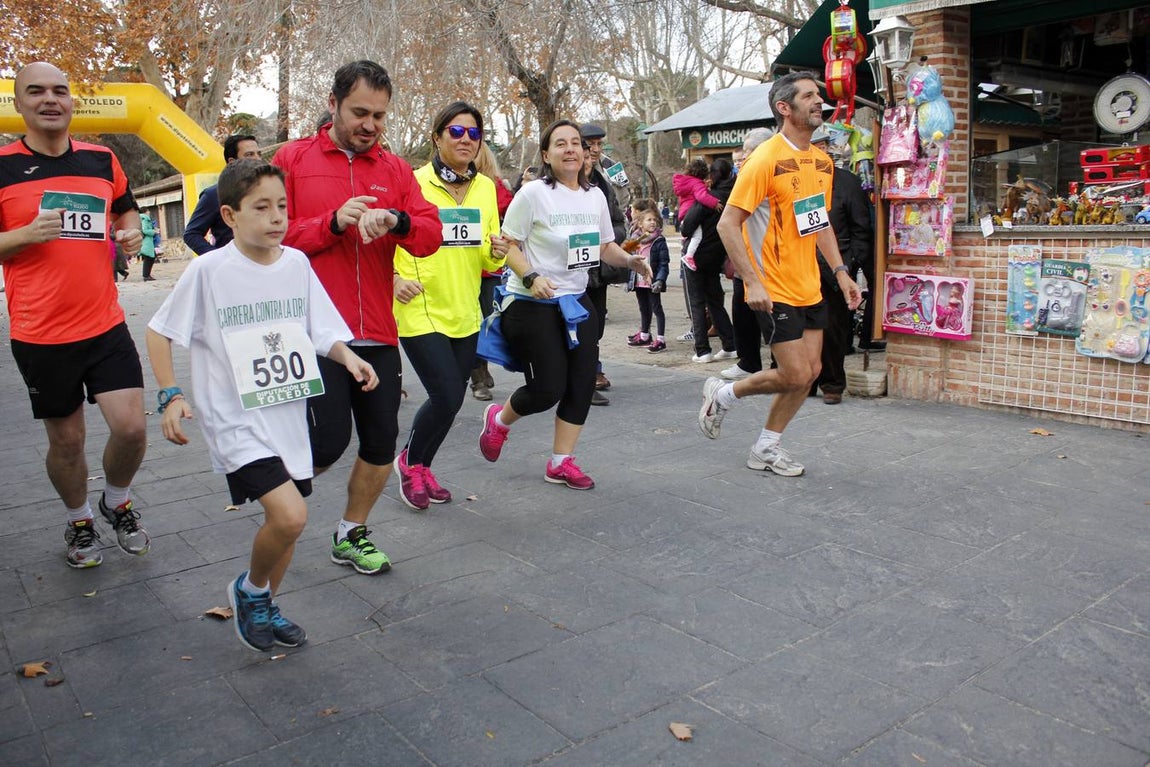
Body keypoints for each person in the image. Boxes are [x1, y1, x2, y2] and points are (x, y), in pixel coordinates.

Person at [147, 160, 379, 651]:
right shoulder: (209, 271)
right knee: (291, 516)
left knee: (287, 525)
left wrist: (348, 356)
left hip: (287, 413)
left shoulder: (296, 263)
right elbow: (158, 331)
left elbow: (320, 328)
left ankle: (265, 604)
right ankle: (250, 590)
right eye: (261, 208)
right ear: (229, 216)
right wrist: (170, 395)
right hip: (234, 421)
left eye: (282, 207)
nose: (276, 218)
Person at [273, 60, 441, 575]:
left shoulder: (394, 170)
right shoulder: (292, 158)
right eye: (360, 112)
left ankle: (351, 533)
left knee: (379, 440)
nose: (370, 125)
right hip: (313, 333)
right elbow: (267, 235)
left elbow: (430, 235)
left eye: (380, 116)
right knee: (327, 441)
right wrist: (331, 222)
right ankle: (278, 499)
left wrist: (398, 219)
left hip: (378, 332)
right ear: (333, 103)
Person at [0, 62, 150, 568]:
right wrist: (24, 236)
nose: (50, 99)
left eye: (60, 91)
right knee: (68, 441)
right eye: (35, 91)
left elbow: (125, 210)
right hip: (40, 332)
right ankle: (80, 519)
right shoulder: (1, 166)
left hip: (104, 323)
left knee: (131, 428)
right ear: (18, 105)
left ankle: (117, 500)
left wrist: (129, 232)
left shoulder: (101, 160)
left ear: (72, 102)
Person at [702, 72, 862, 476]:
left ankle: (766, 448)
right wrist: (751, 281)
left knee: (808, 374)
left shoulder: (821, 161)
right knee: (793, 372)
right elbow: (727, 225)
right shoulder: (764, 159)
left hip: (810, 283)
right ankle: (725, 393)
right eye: (808, 96)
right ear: (784, 108)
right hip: (772, 286)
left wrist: (841, 272)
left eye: (818, 95)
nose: (818, 102)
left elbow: (818, 222)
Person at [478, 120, 650, 490]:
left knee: (581, 383)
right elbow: (505, 246)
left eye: (576, 143)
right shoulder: (533, 194)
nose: (571, 149)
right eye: (561, 144)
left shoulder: (595, 196)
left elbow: (605, 247)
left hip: (577, 301)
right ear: (546, 154)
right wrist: (532, 277)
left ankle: (561, 461)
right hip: (531, 302)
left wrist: (631, 261)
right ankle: (499, 420)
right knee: (547, 388)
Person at [392, 102, 504, 510]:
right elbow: (386, 237)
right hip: (418, 304)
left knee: (453, 397)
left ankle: (421, 465)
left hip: (465, 308)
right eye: (456, 132)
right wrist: (392, 279)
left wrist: (499, 252)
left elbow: (489, 260)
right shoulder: (412, 181)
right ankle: (409, 462)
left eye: (473, 134)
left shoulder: (486, 188)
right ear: (437, 136)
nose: (465, 140)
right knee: (444, 394)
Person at [810, 128, 873, 404]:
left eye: (824, 147)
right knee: (803, 328)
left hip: (837, 267)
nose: (820, 153)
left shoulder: (847, 182)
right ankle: (804, 381)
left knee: (833, 328)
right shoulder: (799, 182)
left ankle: (832, 383)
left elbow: (862, 228)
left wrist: (849, 263)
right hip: (801, 265)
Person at [579, 123, 628, 406]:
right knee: (579, 326)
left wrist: (609, 238)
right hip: (566, 274)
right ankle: (583, 380)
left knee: (595, 325)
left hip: (597, 271)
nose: (595, 151)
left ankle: (590, 370)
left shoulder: (603, 185)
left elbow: (618, 222)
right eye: (589, 145)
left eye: (598, 145)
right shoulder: (555, 184)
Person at [722, 128, 775, 381]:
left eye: (748, 150)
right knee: (743, 314)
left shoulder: (767, 172)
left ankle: (779, 366)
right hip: (743, 259)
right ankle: (748, 361)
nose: (743, 157)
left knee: (769, 317)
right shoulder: (746, 174)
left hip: (766, 262)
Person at [680, 159, 738, 364]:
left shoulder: (708, 197)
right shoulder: (733, 197)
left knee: (696, 302)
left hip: (695, 256)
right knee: (715, 302)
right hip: (716, 255)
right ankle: (730, 344)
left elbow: (687, 227)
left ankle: (702, 350)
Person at [469, 142, 513, 401]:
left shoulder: (494, 188)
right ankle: (477, 377)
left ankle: (481, 370)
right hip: (463, 266)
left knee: (486, 321)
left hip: (490, 269)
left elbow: (510, 215)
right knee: (472, 323)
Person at [183, 135, 261, 255]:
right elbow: (192, 234)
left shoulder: (267, 191)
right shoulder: (214, 195)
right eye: (249, 155)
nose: (257, 159)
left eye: (258, 154)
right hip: (234, 270)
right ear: (232, 161)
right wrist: (217, 258)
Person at [623, 208, 670, 353]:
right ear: (641, 224)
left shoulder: (659, 241)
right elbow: (625, 254)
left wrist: (660, 280)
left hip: (652, 282)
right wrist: (627, 280)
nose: (653, 222)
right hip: (639, 281)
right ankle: (645, 335)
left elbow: (664, 264)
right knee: (644, 308)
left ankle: (660, 339)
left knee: (657, 309)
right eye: (649, 220)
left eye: (654, 220)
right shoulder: (637, 239)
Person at [672, 158, 723, 272]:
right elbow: (702, 196)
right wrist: (715, 203)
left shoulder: (686, 182)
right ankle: (689, 256)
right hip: (691, 214)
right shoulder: (697, 183)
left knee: (691, 234)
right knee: (697, 236)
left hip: (684, 213)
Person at [139, 211, 158, 280]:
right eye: (148, 211)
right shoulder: (145, 219)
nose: (149, 212)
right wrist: (154, 232)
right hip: (146, 242)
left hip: (146, 241)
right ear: (145, 212)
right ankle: (146, 276)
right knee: (149, 258)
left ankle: (147, 275)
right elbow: (145, 230)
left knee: (150, 257)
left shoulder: (141, 218)